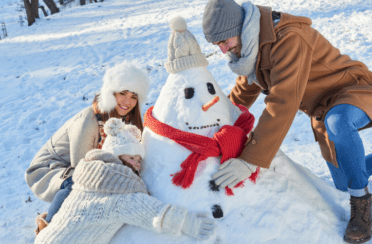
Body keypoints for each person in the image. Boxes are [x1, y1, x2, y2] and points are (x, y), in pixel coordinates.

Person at [202, 0, 372, 243]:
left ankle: (362, 206)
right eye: (217, 44)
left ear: (241, 27)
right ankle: (356, 185)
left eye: (225, 41)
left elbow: (283, 100)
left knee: (339, 124)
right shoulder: (252, 46)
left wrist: (251, 159)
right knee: (343, 185)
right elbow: (243, 92)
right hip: (323, 110)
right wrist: (215, 121)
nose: (223, 50)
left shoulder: (289, 38)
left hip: (351, 91)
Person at [34, 118, 215, 244]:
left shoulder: (91, 178)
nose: (136, 164)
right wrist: (186, 222)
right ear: (116, 156)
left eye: (138, 159)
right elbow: (149, 210)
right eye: (131, 158)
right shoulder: (116, 191)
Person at [25, 62, 149, 228]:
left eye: (134, 97)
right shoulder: (88, 120)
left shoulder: (126, 122)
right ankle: (48, 227)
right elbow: (81, 169)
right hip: (50, 169)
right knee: (77, 184)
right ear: (111, 93)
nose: (128, 101)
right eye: (123, 94)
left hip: (81, 165)